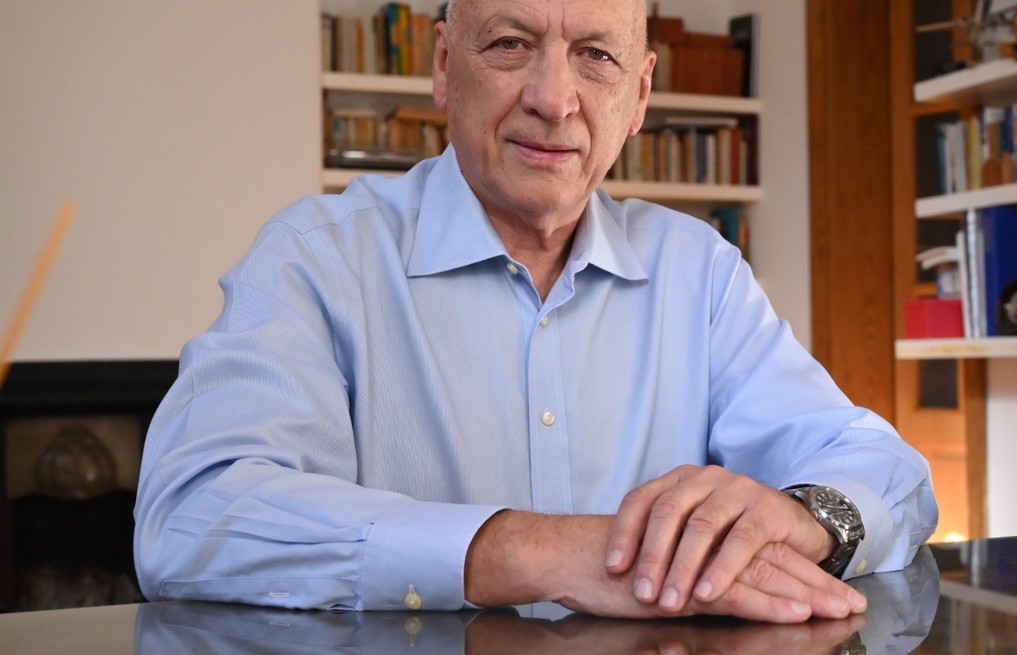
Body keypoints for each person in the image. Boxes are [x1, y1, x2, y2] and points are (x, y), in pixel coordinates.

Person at [133, 0, 937, 624]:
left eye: (596, 56)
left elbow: (886, 468)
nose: (554, 100)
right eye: (511, 44)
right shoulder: (316, 257)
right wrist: (535, 549)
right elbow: (190, 515)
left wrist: (800, 516)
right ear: (444, 65)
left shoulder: (700, 271)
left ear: (639, 95)